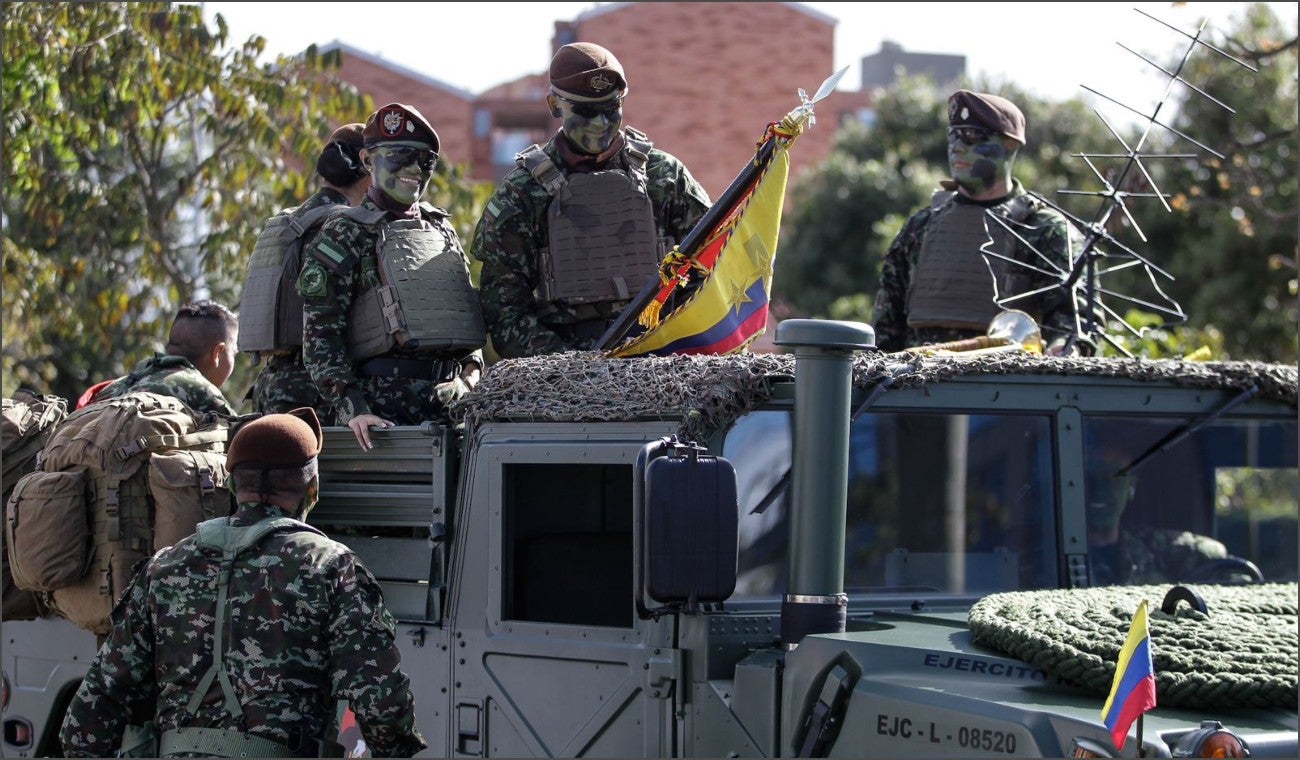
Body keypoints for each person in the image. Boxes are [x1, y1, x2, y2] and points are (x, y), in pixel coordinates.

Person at [58, 407, 427, 758]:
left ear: (234, 487)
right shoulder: (330, 567)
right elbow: (382, 703)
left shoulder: (164, 568)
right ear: (312, 488)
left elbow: (88, 718)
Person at [473, 41, 713, 359]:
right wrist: (580, 368)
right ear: (554, 105)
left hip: (660, 364)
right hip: (565, 383)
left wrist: (667, 344)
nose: (600, 124)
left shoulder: (664, 177)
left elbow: (712, 266)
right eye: (585, 111)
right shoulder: (522, 194)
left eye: (611, 108)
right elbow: (505, 316)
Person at [297, 103, 485, 450]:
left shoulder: (441, 228)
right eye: (399, 156)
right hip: (380, 421)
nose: (414, 169)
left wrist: (470, 376)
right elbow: (320, 334)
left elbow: (466, 317)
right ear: (369, 161)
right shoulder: (345, 231)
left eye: (425, 160)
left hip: (450, 412)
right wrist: (354, 408)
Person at [873, 90, 1083, 356]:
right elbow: (886, 329)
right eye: (954, 136)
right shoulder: (919, 228)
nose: (958, 147)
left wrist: (1062, 348)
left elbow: (1073, 326)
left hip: (1006, 386)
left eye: (973, 137)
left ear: (1010, 146)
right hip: (918, 387)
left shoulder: (1045, 230)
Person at [244, 121, 372, 423]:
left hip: (271, 383)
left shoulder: (286, 222)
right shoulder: (342, 228)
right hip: (315, 393)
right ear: (367, 171)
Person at [83, 299, 239, 415]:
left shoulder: (119, 384)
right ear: (218, 353)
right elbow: (242, 443)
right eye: (234, 353)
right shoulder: (204, 393)